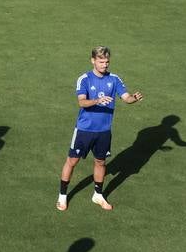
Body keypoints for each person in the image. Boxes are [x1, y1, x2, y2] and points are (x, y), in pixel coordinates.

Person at [57, 47, 144, 212]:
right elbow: (81, 102)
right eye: (101, 61)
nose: (105, 65)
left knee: (100, 162)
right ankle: (62, 195)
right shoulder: (84, 79)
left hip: (104, 131)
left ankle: (98, 195)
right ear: (93, 61)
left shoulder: (114, 79)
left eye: (107, 61)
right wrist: (97, 100)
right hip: (84, 129)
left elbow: (126, 98)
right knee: (72, 161)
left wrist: (134, 98)